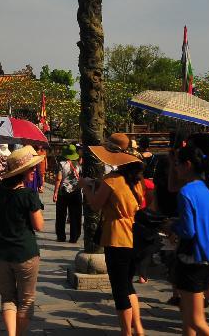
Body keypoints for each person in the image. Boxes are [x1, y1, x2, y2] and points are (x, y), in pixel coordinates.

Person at [82, 134, 146, 336]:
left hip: (116, 236)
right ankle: (139, 327)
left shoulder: (112, 180)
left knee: (119, 290)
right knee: (128, 285)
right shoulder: (135, 181)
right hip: (133, 235)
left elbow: (96, 204)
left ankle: (126, 332)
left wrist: (85, 187)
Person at [0, 145, 45, 336]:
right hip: (24, 252)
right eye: (32, 169)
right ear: (23, 172)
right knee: (26, 300)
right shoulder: (28, 195)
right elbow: (38, 225)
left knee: (8, 298)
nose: (34, 172)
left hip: (0, 250)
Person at [171, 137, 209, 336]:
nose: (175, 169)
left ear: (187, 165)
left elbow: (189, 230)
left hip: (192, 258)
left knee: (195, 319)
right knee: (189, 318)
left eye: (177, 165)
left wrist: (172, 226)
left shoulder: (186, 192)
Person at [53, 143, 82, 243]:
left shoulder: (61, 164)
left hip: (63, 192)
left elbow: (58, 179)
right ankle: (74, 236)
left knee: (61, 215)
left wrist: (55, 192)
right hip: (76, 191)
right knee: (75, 215)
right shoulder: (78, 164)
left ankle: (61, 236)